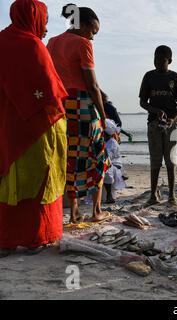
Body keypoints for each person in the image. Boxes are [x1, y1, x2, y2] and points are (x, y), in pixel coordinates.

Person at [0, 0, 68, 257]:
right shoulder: (32, 45)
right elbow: (50, 93)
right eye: (45, 21)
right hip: (36, 129)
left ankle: (5, 239)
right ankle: (36, 238)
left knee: (9, 179)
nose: (46, 28)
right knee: (40, 178)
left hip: (6, 126)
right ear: (33, 17)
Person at [47, 3, 111, 223]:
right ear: (81, 24)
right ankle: (96, 210)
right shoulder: (83, 44)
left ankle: (73, 211)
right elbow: (91, 85)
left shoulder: (52, 43)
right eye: (92, 31)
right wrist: (103, 116)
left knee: (71, 159)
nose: (92, 38)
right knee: (99, 156)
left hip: (61, 107)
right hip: (82, 106)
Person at [139, 45, 177, 206]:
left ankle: (172, 196)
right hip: (153, 123)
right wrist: (156, 111)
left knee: (170, 161)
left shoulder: (175, 78)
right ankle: (153, 195)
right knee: (155, 160)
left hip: (171, 125)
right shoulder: (148, 77)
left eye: (161, 60)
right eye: (155, 59)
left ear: (169, 61)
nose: (157, 63)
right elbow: (142, 102)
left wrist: (173, 119)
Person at [104, 119, 126, 204]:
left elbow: (107, 158)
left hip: (114, 165)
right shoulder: (106, 141)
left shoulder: (111, 143)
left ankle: (109, 195)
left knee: (107, 171)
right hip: (108, 162)